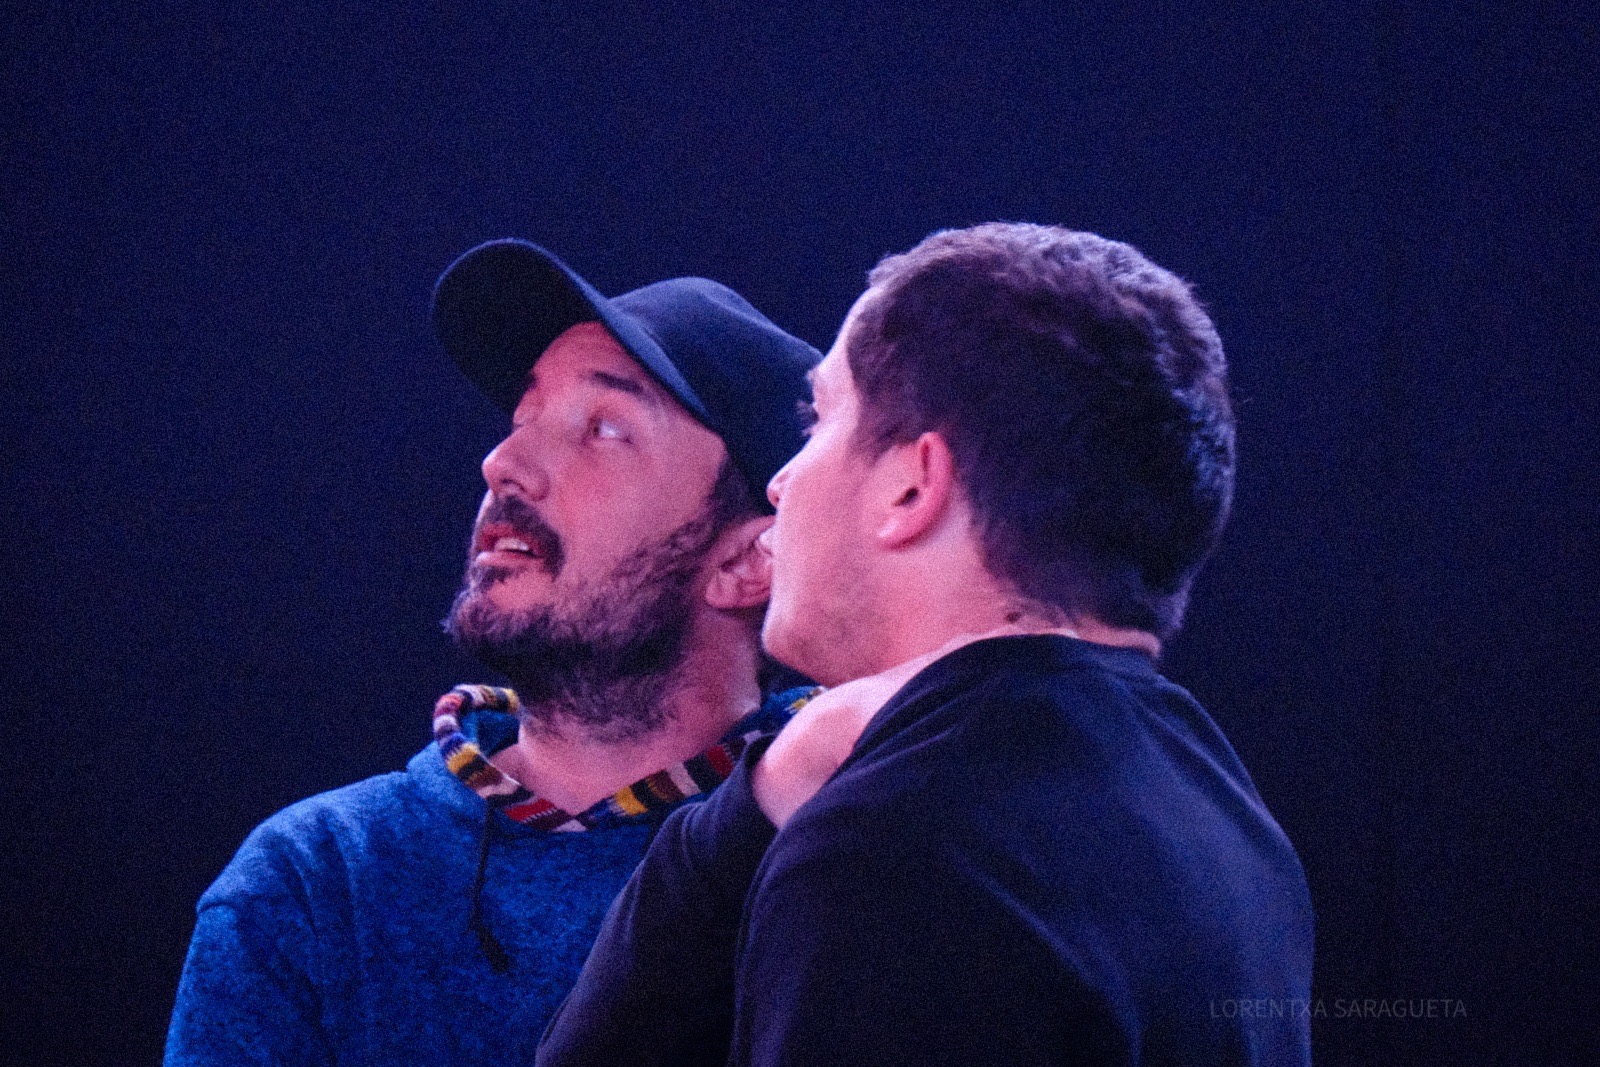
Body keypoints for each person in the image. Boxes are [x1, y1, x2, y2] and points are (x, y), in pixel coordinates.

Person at [540, 223, 1315, 1066]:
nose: (782, 480)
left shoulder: (891, 849)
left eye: (818, 418)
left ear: (912, 485)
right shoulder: (1235, 830)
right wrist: (772, 784)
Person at [163, 239, 821, 1067]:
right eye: (522, 420)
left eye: (602, 428)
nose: (504, 464)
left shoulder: (848, 847)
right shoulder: (314, 882)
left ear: (748, 561)